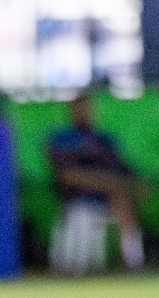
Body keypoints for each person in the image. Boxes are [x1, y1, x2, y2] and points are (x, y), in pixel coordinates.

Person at [47, 91, 146, 273]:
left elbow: (121, 165)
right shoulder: (61, 136)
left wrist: (135, 181)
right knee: (78, 176)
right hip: (77, 192)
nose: (83, 112)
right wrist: (86, 153)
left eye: (87, 108)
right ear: (70, 111)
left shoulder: (103, 138)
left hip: (104, 196)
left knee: (121, 197)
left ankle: (133, 260)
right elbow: (60, 167)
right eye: (79, 109)